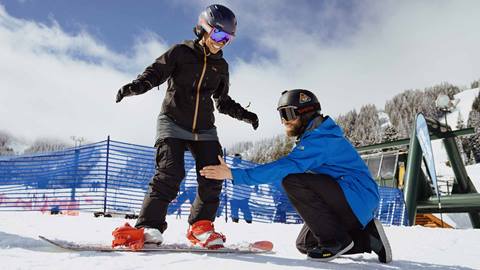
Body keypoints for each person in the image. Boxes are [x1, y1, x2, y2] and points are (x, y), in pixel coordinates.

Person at [114, 4, 258, 249]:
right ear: (204, 29)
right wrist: (136, 86)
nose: (221, 43)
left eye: (228, 39)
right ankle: (149, 226)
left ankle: (201, 227)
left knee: (214, 174)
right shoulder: (181, 52)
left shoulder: (221, 66)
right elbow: (155, 73)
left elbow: (222, 102)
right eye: (218, 35)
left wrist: (245, 114)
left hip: (204, 129)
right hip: (172, 122)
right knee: (171, 172)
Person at [200, 89, 392, 262]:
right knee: (306, 245)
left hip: (357, 195)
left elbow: (286, 166)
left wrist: (234, 174)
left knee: (292, 180)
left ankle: (336, 240)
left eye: (288, 113)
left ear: (306, 113)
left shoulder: (321, 139)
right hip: (349, 198)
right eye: (281, 115)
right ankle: (368, 238)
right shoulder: (314, 138)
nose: (284, 120)